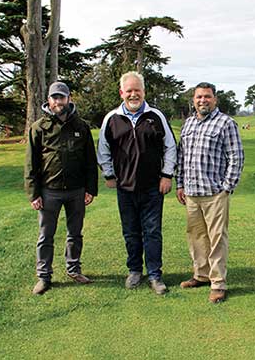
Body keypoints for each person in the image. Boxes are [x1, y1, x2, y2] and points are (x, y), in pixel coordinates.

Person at [97, 71, 177, 295]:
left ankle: (154, 275)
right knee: (131, 232)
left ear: (144, 92)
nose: (133, 94)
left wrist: (166, 175)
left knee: (152, 232)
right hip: (125, 187)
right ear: (122, 93)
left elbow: (170, 147)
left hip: (153, 187)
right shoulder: (111, 119)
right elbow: (103, 150)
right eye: (129, 90)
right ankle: (134, 271)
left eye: (137, 90)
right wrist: (110, 175)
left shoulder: (156, 116)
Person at [25, 81, 98, 295]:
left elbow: (89, 161)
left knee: (75, 233)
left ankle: (74, 269)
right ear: (49, 100)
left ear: (69, 99)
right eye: (55, 98)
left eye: (62, 97)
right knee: (46, 236)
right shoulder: (38, 127)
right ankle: (44, 276)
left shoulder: (81, 126)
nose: (58, 102)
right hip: (49, 191)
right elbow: (31, 163)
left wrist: (90, 189)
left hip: (76, 191)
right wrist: (34, 193)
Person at [176, 82, 244, 303]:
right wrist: (180, 184)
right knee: (196, 237)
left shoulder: (226, 123)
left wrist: (226, 187)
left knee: (216, 239)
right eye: (198, 97)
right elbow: (181, 157)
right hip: (192, 193)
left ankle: (218, 283)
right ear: (193, 100)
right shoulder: (188, 124)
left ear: (215, 99)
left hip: (215, 193)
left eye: (207, 96)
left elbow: (236, 157)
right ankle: (201, 275)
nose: (202, 100)